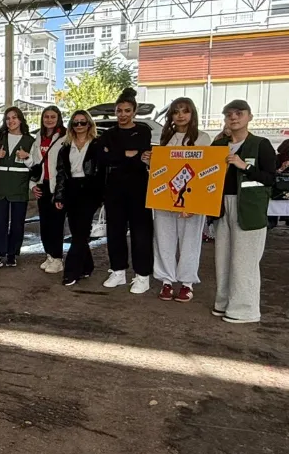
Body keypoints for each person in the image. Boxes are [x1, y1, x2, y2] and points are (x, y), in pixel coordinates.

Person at [212, 99, 276, 324]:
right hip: (221, 208)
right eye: (229, 114)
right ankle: (223, 302)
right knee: (223, 258)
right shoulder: (218, 146)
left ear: (249, 116)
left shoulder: (261, 144)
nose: (233, 117)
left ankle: (244, 309)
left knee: (245, 260)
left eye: (239, 113)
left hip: (249, 209)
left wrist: (245, 166)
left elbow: (271, 179)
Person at [151, 98, 212, 303]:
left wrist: (192, 203)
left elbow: (205, 171)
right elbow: (162, 169)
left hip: (192, 198)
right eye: (176, 111)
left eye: (185, 111)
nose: (180, 115)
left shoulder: (203, 138)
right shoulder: (164, 138)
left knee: (190, 242)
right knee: (164, 240)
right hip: (165, 197)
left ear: (192, 114)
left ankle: (187, 283)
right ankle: (166, 281)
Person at [98, 87, 154, 294]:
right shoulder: (109, 134)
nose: (123, 114)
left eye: (127, 110)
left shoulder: (143, 130)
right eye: (119, 110)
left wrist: (117, 155)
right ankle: (118, 271)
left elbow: (142, 155)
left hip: (139, 188)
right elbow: (102, 157)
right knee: (115, 231)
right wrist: (127, 154)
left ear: (134, 111)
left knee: (141, 232)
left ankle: (142, 275)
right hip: (114, 189)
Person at [53, 111, 104, 286]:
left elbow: (103, 172)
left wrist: (102, 195)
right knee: (77, 232)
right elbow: (61, 174)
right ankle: (87, 266)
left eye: (83, 122)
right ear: (71, 126)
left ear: (89, 124)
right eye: (76, 123)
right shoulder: (65, 147)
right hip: (71, 189)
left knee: (81, 232)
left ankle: (71, 271)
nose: (79, 126)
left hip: (90, 190)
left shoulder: (97, 145)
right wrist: (59, 195)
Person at [0, 107, 35, 269]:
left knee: (17, 223)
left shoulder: (30, 140)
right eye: (8, 118)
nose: (11, 121)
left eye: (14, 117)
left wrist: (26, 157)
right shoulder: (0, 138)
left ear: (20, 119)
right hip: (2, 185)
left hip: (20, 186)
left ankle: (12, 254)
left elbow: (35, 165)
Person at [30, 106, 67, 274]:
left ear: (58, 118)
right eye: (46, 117)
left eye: (53, 116)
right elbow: (33, 163)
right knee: (44, 224)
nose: (49, 120)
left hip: (58, 186)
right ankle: (49, 255)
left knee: (56, 224)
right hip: (43, 185)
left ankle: (58, 258)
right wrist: (33, 185)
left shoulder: (65, 137)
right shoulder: (38, 136)